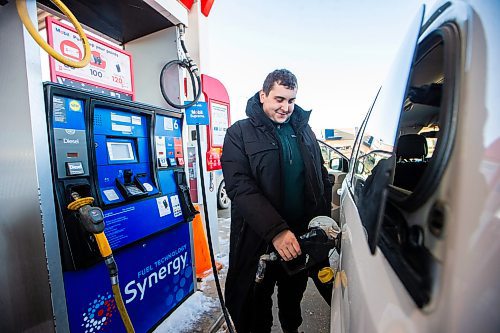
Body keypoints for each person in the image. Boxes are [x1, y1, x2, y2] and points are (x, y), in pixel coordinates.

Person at [221, 69, 332, 333]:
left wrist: (322, 222)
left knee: (292, 301)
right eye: (279, 99)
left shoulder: (305, 132)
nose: (286, 107)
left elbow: (320, 176)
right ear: (263, 96)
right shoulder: (239, 133)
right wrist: (276, 231)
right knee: (255, 309)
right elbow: (240, 187)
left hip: (299, 238)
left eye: (291, 100)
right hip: (259, 239)